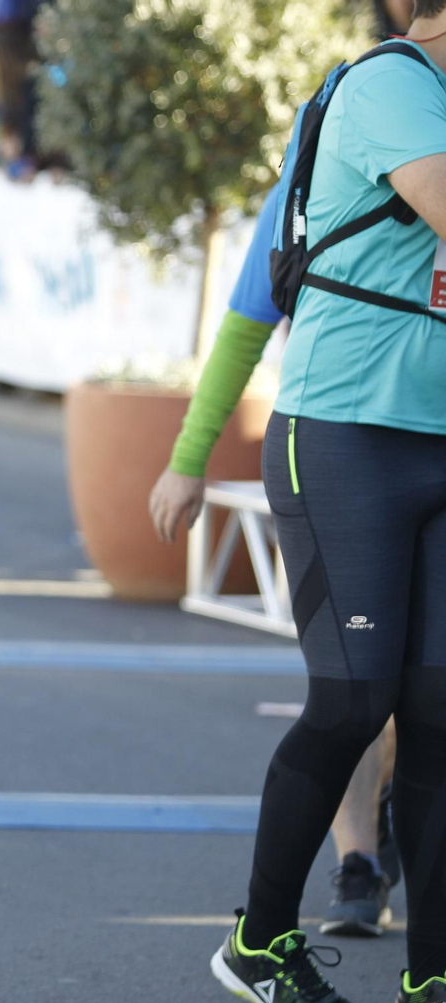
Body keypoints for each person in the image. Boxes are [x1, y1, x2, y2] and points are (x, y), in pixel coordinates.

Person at [204, 3, 446, 1003]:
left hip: (437, 438)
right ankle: (260, 940)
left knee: (438, 714)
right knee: (352, 703)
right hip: (345, 432)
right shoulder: (390, 84)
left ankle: (430, 983)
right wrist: (185, 454)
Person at [150, 183, 401, 941]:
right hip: (342, 452)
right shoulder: (320, 160)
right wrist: (189, 458)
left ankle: (391, 826)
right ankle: (358, 856)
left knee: (422, 691)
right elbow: (246, 318)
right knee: (353, 689)